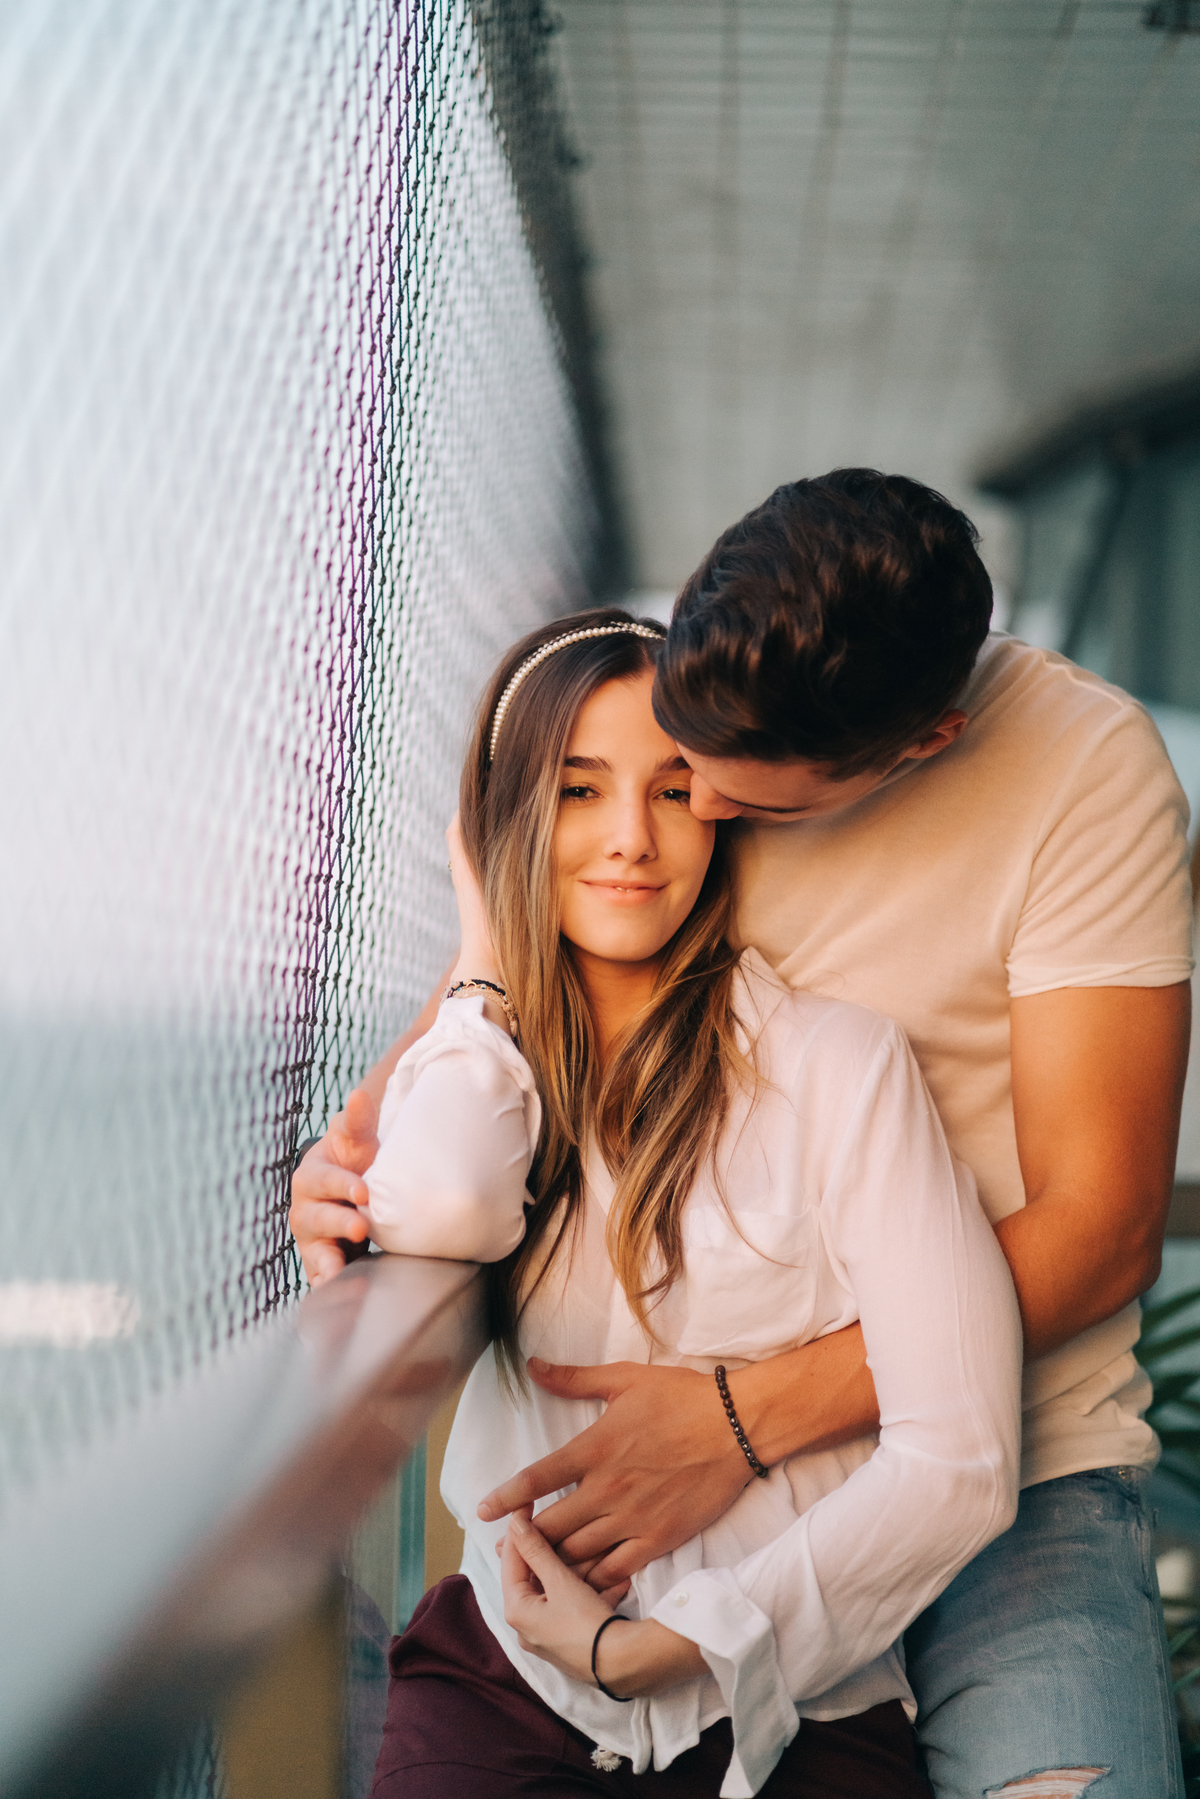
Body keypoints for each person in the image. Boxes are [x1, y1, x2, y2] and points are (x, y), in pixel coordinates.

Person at [291, 470, 1193, 1798]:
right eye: (662, 761)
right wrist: (365, 1138)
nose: (683, 815)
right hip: (672, 1517)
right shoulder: (701, 693)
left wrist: (741, 1418)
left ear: (920, 745)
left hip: (1017, 1442)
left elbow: (1103, 1226)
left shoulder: (1077, 773)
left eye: (734, 802)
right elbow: (520, 970)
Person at [358, 615, 1021, 1797]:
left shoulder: (838, 1065)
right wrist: (481, 952)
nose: (630, 840)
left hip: (790, 1707)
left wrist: (670, 1643)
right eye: (576, 789)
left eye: (673, 792)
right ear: (508, 815)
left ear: (722, 810)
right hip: (506, 1684)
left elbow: (959, 1454)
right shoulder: (481, 1074)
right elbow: (448, 1200)